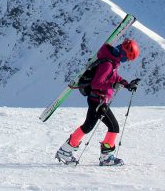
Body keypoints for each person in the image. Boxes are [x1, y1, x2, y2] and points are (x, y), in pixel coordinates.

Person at [55, 38, 141, 166]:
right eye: (128, 58)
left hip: (96, 99)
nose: (127, 61)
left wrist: (127, 84)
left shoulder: (111, 61)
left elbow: (114, 77)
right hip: (98, 100)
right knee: (113, 126)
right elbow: (97, 83)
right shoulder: (108, 64)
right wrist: (114, 85)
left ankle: (65, 151)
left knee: (88, 126)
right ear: (123, 53)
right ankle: (106, 158)